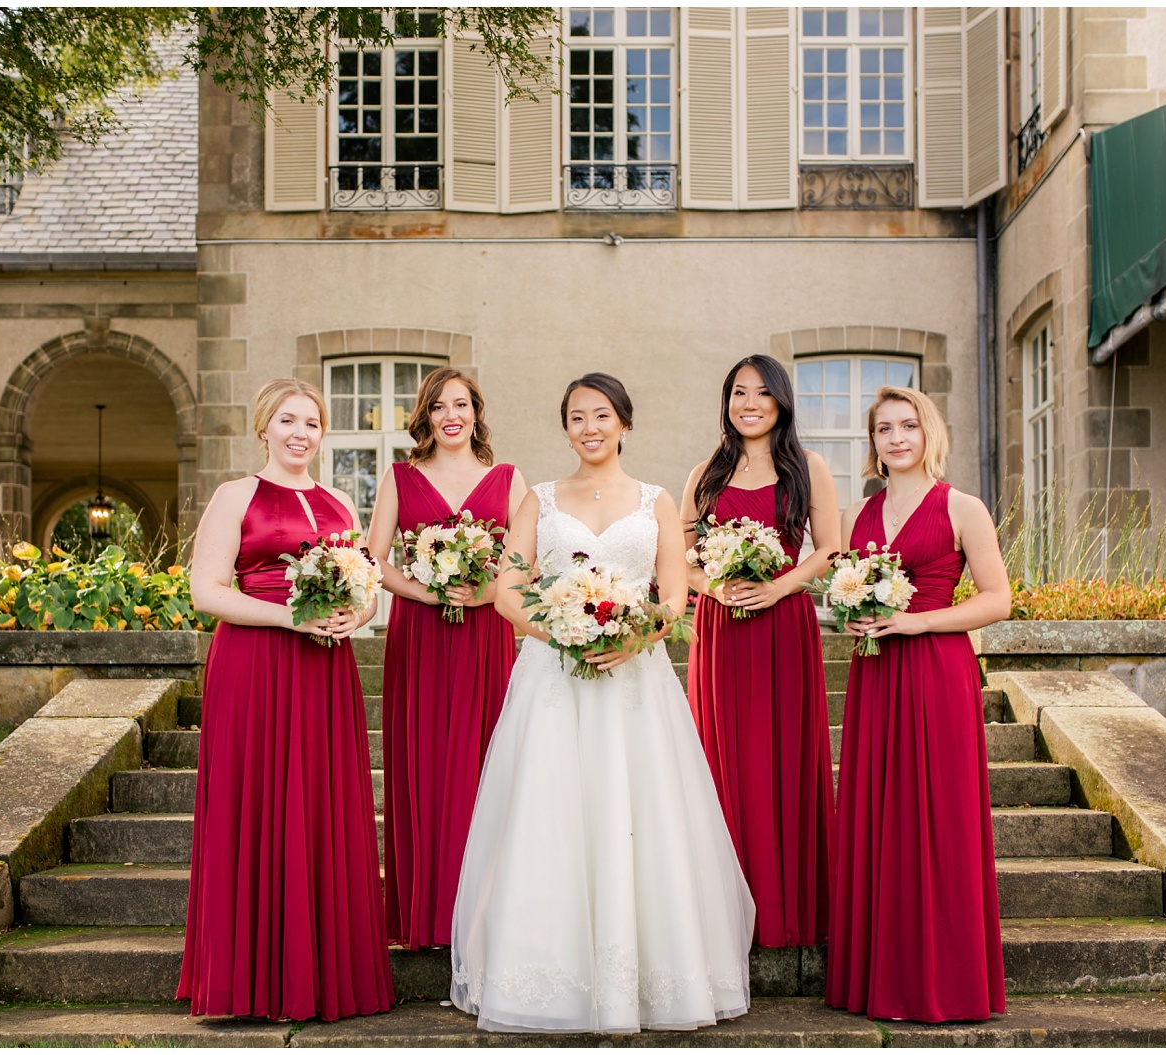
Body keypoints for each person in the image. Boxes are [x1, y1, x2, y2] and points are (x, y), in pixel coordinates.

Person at [450, 373, 755, 1034]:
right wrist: (557, 627)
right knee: (549, 814)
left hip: (634, 681)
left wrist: (636, 632)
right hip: (552, 677)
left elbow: (673, 595)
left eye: (601, 415)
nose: (589, 428)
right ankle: (542, 974)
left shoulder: (656, 502)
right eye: (576, 417)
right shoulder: (538, 499)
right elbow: (508, 586)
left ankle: (643, 979)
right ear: (566, 427)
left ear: (624, 422)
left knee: (637, 813)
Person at [177, 378, 393, 1021]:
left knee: (320, 805)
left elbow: (367, 586)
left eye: (313, 423)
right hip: (253, 665)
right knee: (256, 800)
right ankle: (249, 980)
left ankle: (321, 973)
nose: (302, 433)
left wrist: (356, 614)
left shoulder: (338, 503)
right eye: (289, 421)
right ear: (264, 427)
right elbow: (207, 591)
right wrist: (287, 620)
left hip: (324, 672)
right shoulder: (235, 495)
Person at [824, 385, 1010, 1023]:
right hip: (876, 672)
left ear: (928, 432)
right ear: (873, 442)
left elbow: (997, 600)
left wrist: (919, 623)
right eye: (883, 429)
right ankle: (880, 979)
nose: (897, 438)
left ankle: (948, 983)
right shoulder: (856, 515)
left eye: (908, 426)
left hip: (936, 671)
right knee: (878, 812)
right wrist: (851, 616)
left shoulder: (962, 506)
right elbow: (843, 593)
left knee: (940, 813)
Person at [364, 367, 527, 950]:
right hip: (421, 638)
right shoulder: (400, 478)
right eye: (439, 406)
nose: (451, 415)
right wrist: (425, 592)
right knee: (426, 763)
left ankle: (486, 915)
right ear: (426, 417)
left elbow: (527, 565)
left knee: (488, 763)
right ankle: (428, 916)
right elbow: (374, 561)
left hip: (485, 635)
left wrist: (486, 594)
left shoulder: (507, 479)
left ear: (476, 413)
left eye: (461, 404)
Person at [680, 354, 839, 948]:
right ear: (726, 402)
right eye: (738, 392)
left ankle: (787, 908)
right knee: (725, 759)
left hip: (785, 629)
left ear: (781, 402)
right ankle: (724, 910)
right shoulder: (705, 473)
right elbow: (680, 558)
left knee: (783, 758)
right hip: (722, 632)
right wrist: (713, 585)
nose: (749, 403)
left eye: (761, 393)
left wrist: (777, 586)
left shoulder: (808, 468)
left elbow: (829, 550)